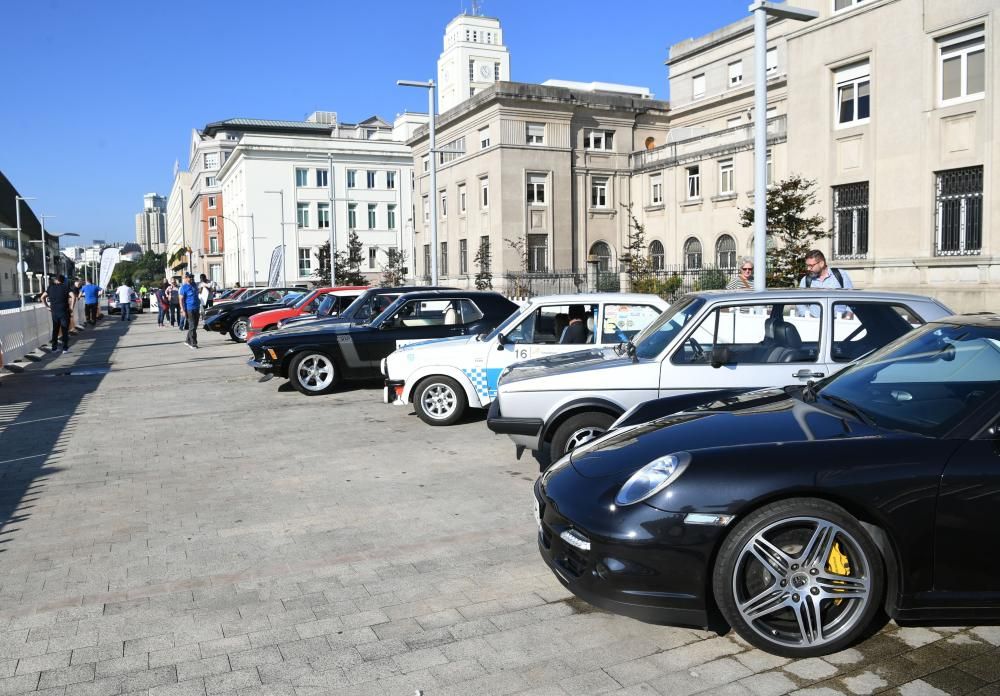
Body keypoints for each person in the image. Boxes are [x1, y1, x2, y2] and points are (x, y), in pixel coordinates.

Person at [40, 274, 74, 353]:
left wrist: (47, 306)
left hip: (54, 312)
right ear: (63, 281)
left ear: (56, 280)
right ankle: (65, 348)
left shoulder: (50, 288)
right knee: (65, 329)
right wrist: (71, 307)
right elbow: (73, 296)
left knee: (55, 329)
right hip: (64, 311)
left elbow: (42, 297)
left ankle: (54, 348)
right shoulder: (65, 287)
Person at [179, 271, 201, 349]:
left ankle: (187, 340)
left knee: (194, 326)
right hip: (189, 309)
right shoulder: (183, 287)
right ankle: (193, 343)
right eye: (189, 277)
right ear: (186, 278)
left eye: (192, 277)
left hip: (196, 308)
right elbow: (180, 299)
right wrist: (182, 310)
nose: (191, 279)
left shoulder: (195, 285)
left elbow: (198, 294)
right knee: (192, 326)